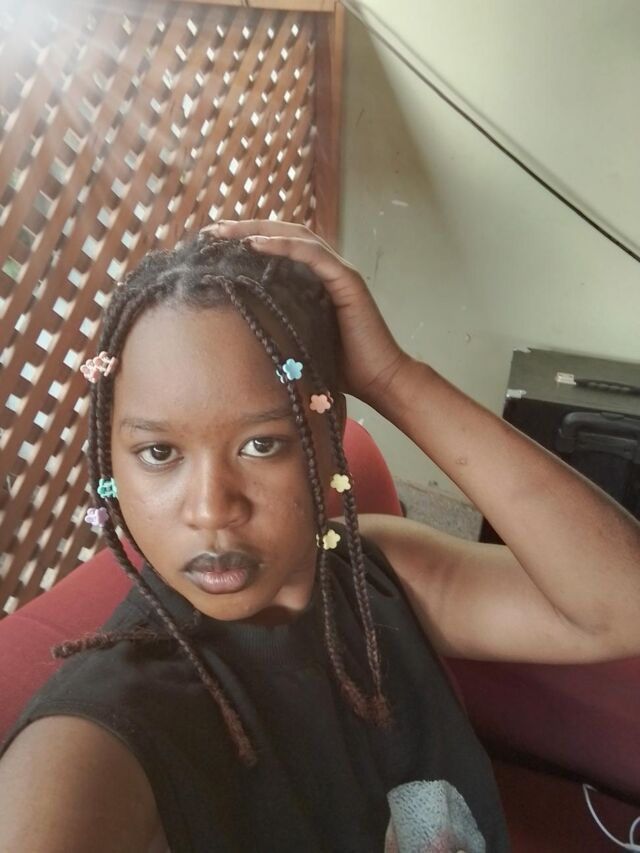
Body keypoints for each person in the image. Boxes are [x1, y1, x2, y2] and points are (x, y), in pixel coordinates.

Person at [0, 220, 639, 852]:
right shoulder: (90, 741)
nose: (212, 509)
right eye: (160, 452)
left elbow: (623, 604)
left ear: (328, 440)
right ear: (111, 461)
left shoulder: (379, 572)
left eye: (262, 444)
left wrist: (394, 378)